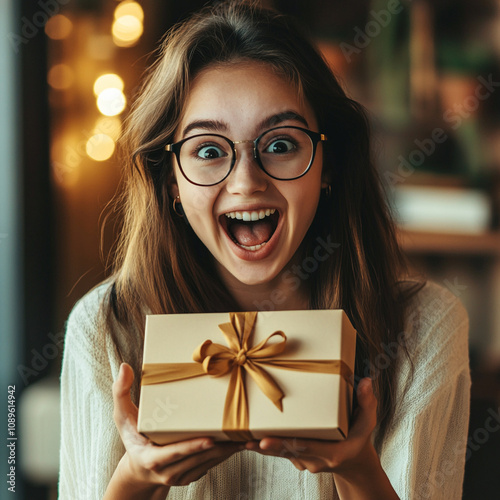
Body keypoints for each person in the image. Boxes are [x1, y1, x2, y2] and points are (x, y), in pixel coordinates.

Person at [58, 1, 471, 499]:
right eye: (209, 151)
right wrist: (135, 479)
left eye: (279, 144)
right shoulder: (104, 327)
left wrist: (360, 471)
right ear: (170, 179)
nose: (246, 182)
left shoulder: (423, 327)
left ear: (329, 165)